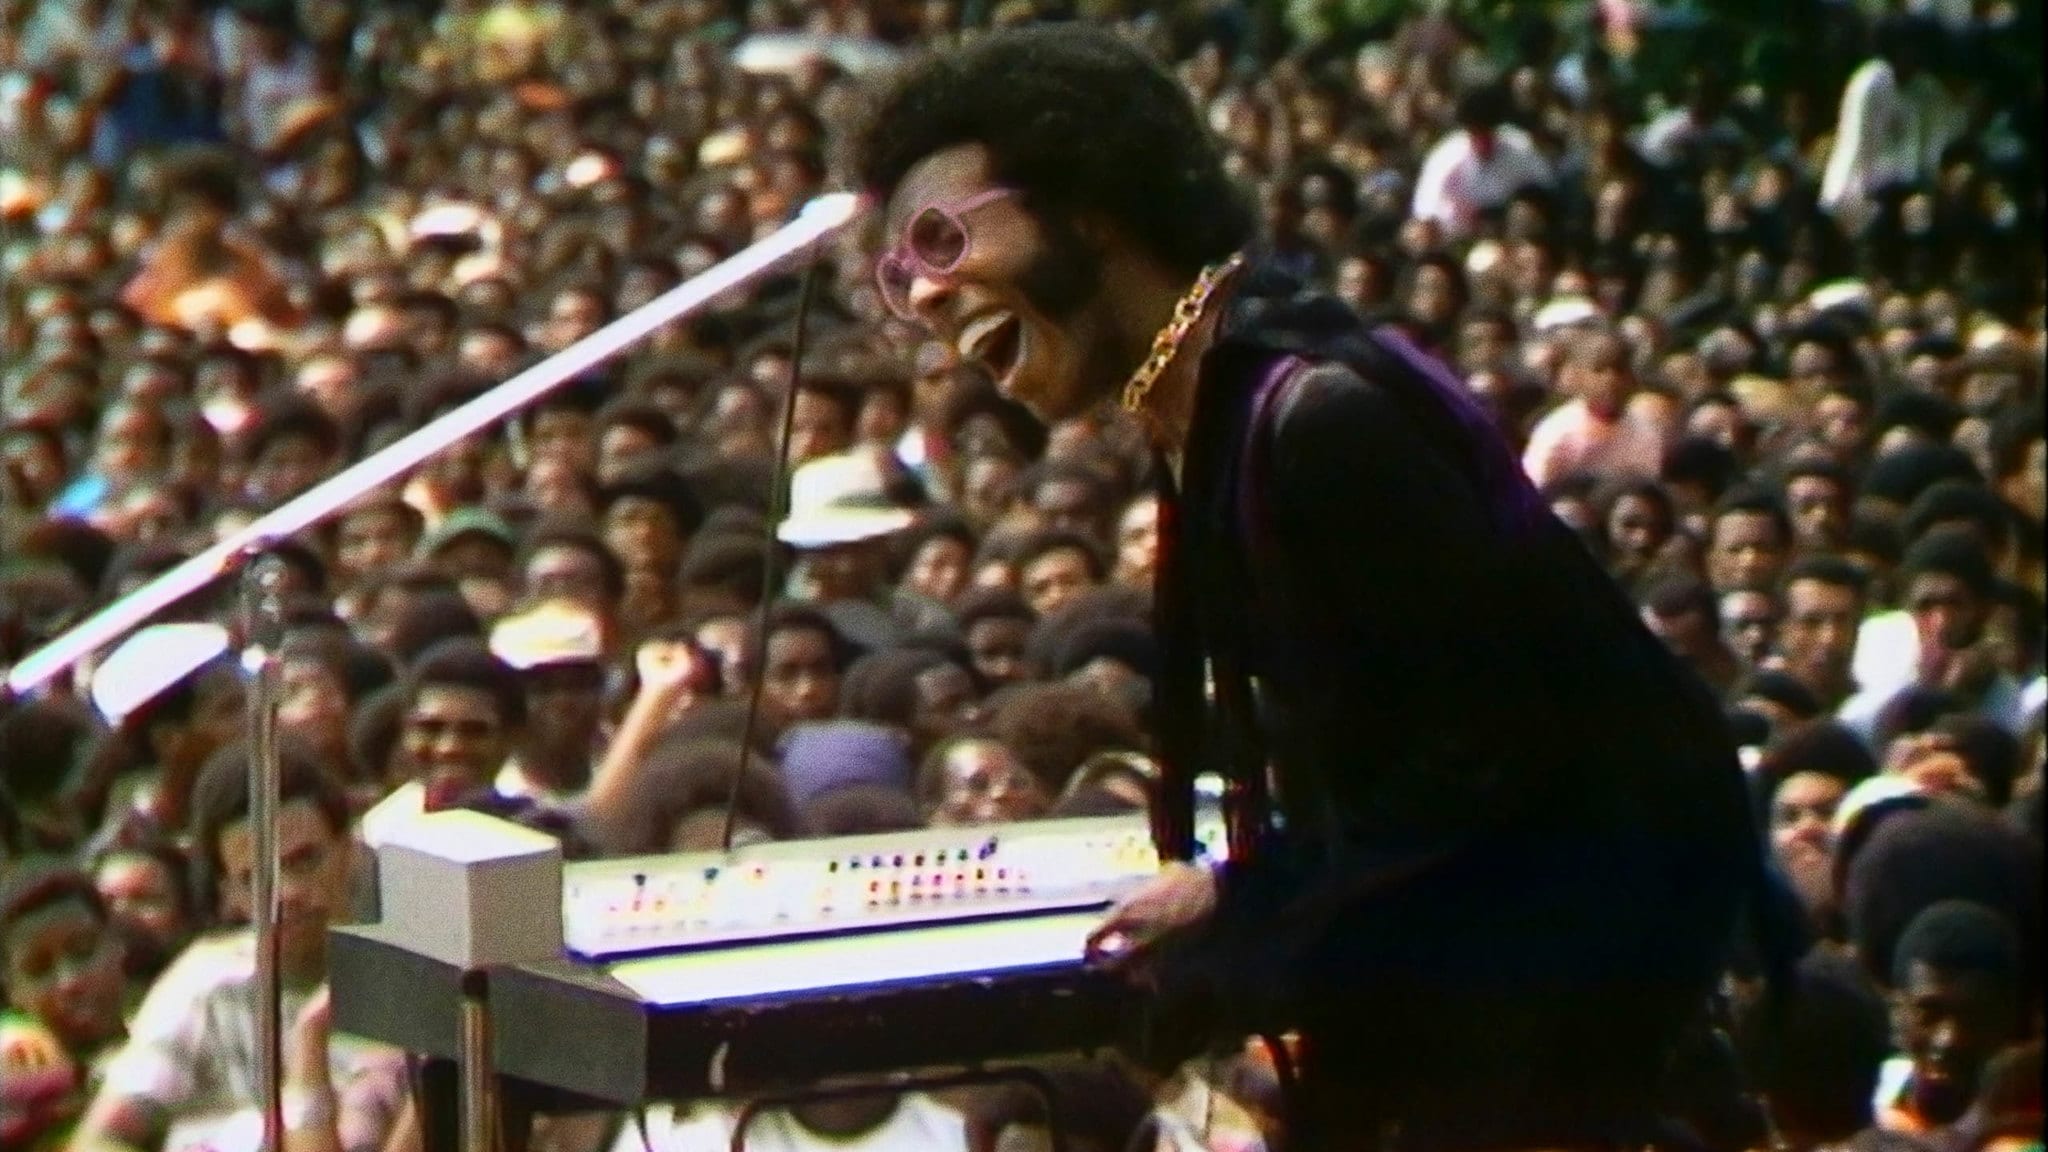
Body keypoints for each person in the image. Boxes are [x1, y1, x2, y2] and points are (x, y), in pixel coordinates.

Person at [857, 25, 1766, 1150]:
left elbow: (1480, 767)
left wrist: (1251, 927)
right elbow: (1380, 754)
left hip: (1545, 1019)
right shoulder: (1210, 399)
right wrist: (1238, 885)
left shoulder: (1321, 417)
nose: (931, 304)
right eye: (902, 283)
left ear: (1084, 200)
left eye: (941, 242)